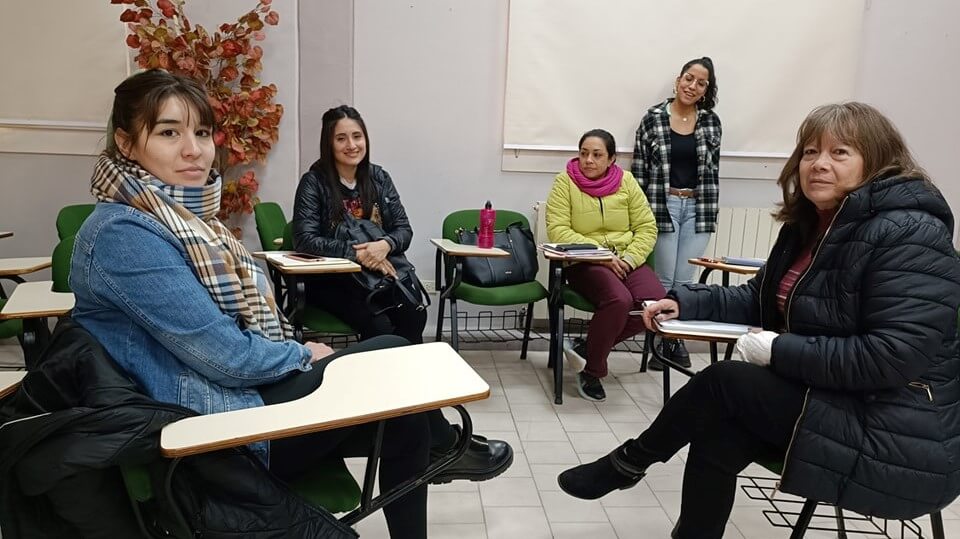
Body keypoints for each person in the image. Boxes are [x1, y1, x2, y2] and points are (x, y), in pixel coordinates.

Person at [558, 102, 960, 538]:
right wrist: (686, 301)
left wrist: (776, 350)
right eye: (809, 152)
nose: (819, 164)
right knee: (719, 428)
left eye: (839, 153)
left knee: (726, 381)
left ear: (877, 161)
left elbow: (890, 358)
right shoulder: (811, 226)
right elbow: (760, 300)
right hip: (836, 399)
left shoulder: (910, 233)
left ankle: (631, 461)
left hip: (899, 432)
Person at [69, 71, 418, 538]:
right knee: (392, 350)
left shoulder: (189, 218)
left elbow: (402, 229)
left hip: (233, 397)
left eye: (202, 132)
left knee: (404, 414)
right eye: (169, 132)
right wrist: (301, 353)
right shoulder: (123, 233)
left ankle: (442, 441)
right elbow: (227, 358)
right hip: (210, 431)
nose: (193, 149)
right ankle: (450, 440)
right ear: (127, 144)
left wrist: (296, 347)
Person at [292, 105, 512, 479]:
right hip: (332, 282)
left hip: (376, 278)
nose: (351, 145)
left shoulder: (378, 177)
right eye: (341, 138)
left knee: (411, 316)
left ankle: (430, 437)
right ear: (329, 144)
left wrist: (385, 247)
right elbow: (304, 237)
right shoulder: (314, 183)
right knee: (385, 333)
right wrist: (360, 253)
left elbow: (403, 230)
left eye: (357, 136)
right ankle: (439, 440)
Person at [546, 129, 664, 402]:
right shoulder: (565, 182)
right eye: (584, 153)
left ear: (611, 159)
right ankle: (593, 370)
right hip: (584, 262)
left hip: (626, 260)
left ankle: (588, 348)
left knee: (656, 304)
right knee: (618, 300)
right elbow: (559, 230)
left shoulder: (628, 182)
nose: (588, 160)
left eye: (597, 155)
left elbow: (647, 227)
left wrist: (629, 258)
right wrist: (601, 255)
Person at [632, 57, 721, 369]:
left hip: (699, 206)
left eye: (700, 83)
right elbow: (639, 172)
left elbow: (713, 171)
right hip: (662, 204)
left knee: (686, 278)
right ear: (678, 80)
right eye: (688, 78)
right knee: (665, 278)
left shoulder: (711, 121)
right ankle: (666, 341)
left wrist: (708, 207)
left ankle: (674, 340)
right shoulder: (653, 118)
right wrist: (638, 216)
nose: (692, 86)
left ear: (706, 90)